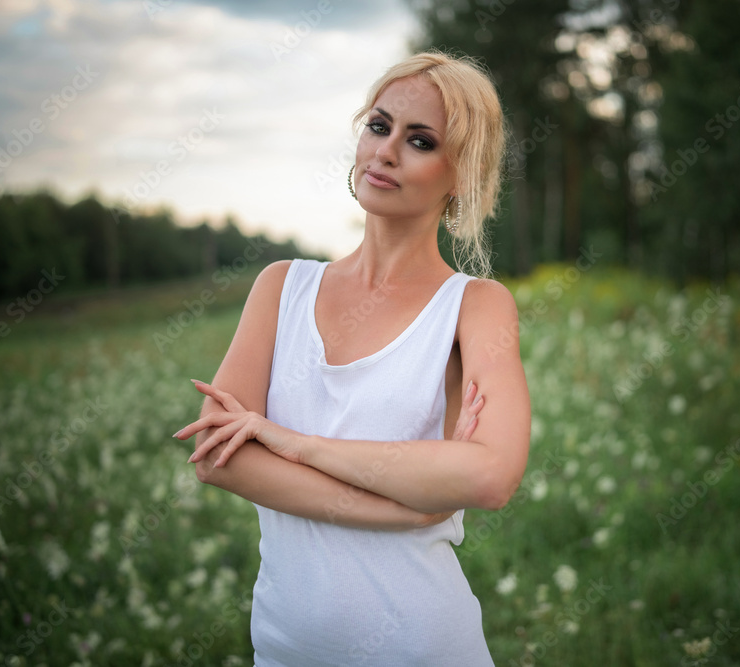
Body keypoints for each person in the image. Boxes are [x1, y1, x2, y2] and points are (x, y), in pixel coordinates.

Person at [174, 50, 531, 666]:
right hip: (283, 651)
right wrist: (402, 505)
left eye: (420, 140)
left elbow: (491, 476)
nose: (386, 150)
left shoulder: (475, 306)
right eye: (378, 125)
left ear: (462, 177)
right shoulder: (281, 287)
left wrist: (290, 442)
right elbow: (217, 456)